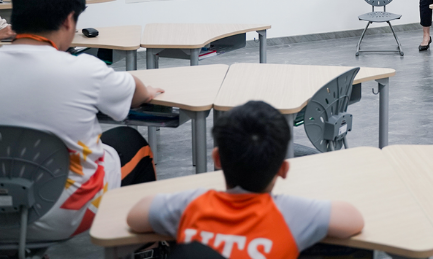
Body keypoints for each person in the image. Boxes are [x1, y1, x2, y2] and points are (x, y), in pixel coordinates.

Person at [0, 0, 161, 243]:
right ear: (68, 20)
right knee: (131, 141)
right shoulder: (85, 70)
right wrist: (147, 91)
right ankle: (146, 248)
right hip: (62, 214)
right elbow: (135, 94)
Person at [127, 100, 365, 258]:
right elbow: (352, 219)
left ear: (217, 159)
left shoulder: (191, 205)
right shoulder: (293, 214)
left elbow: (135, 216)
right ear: (283, 170)